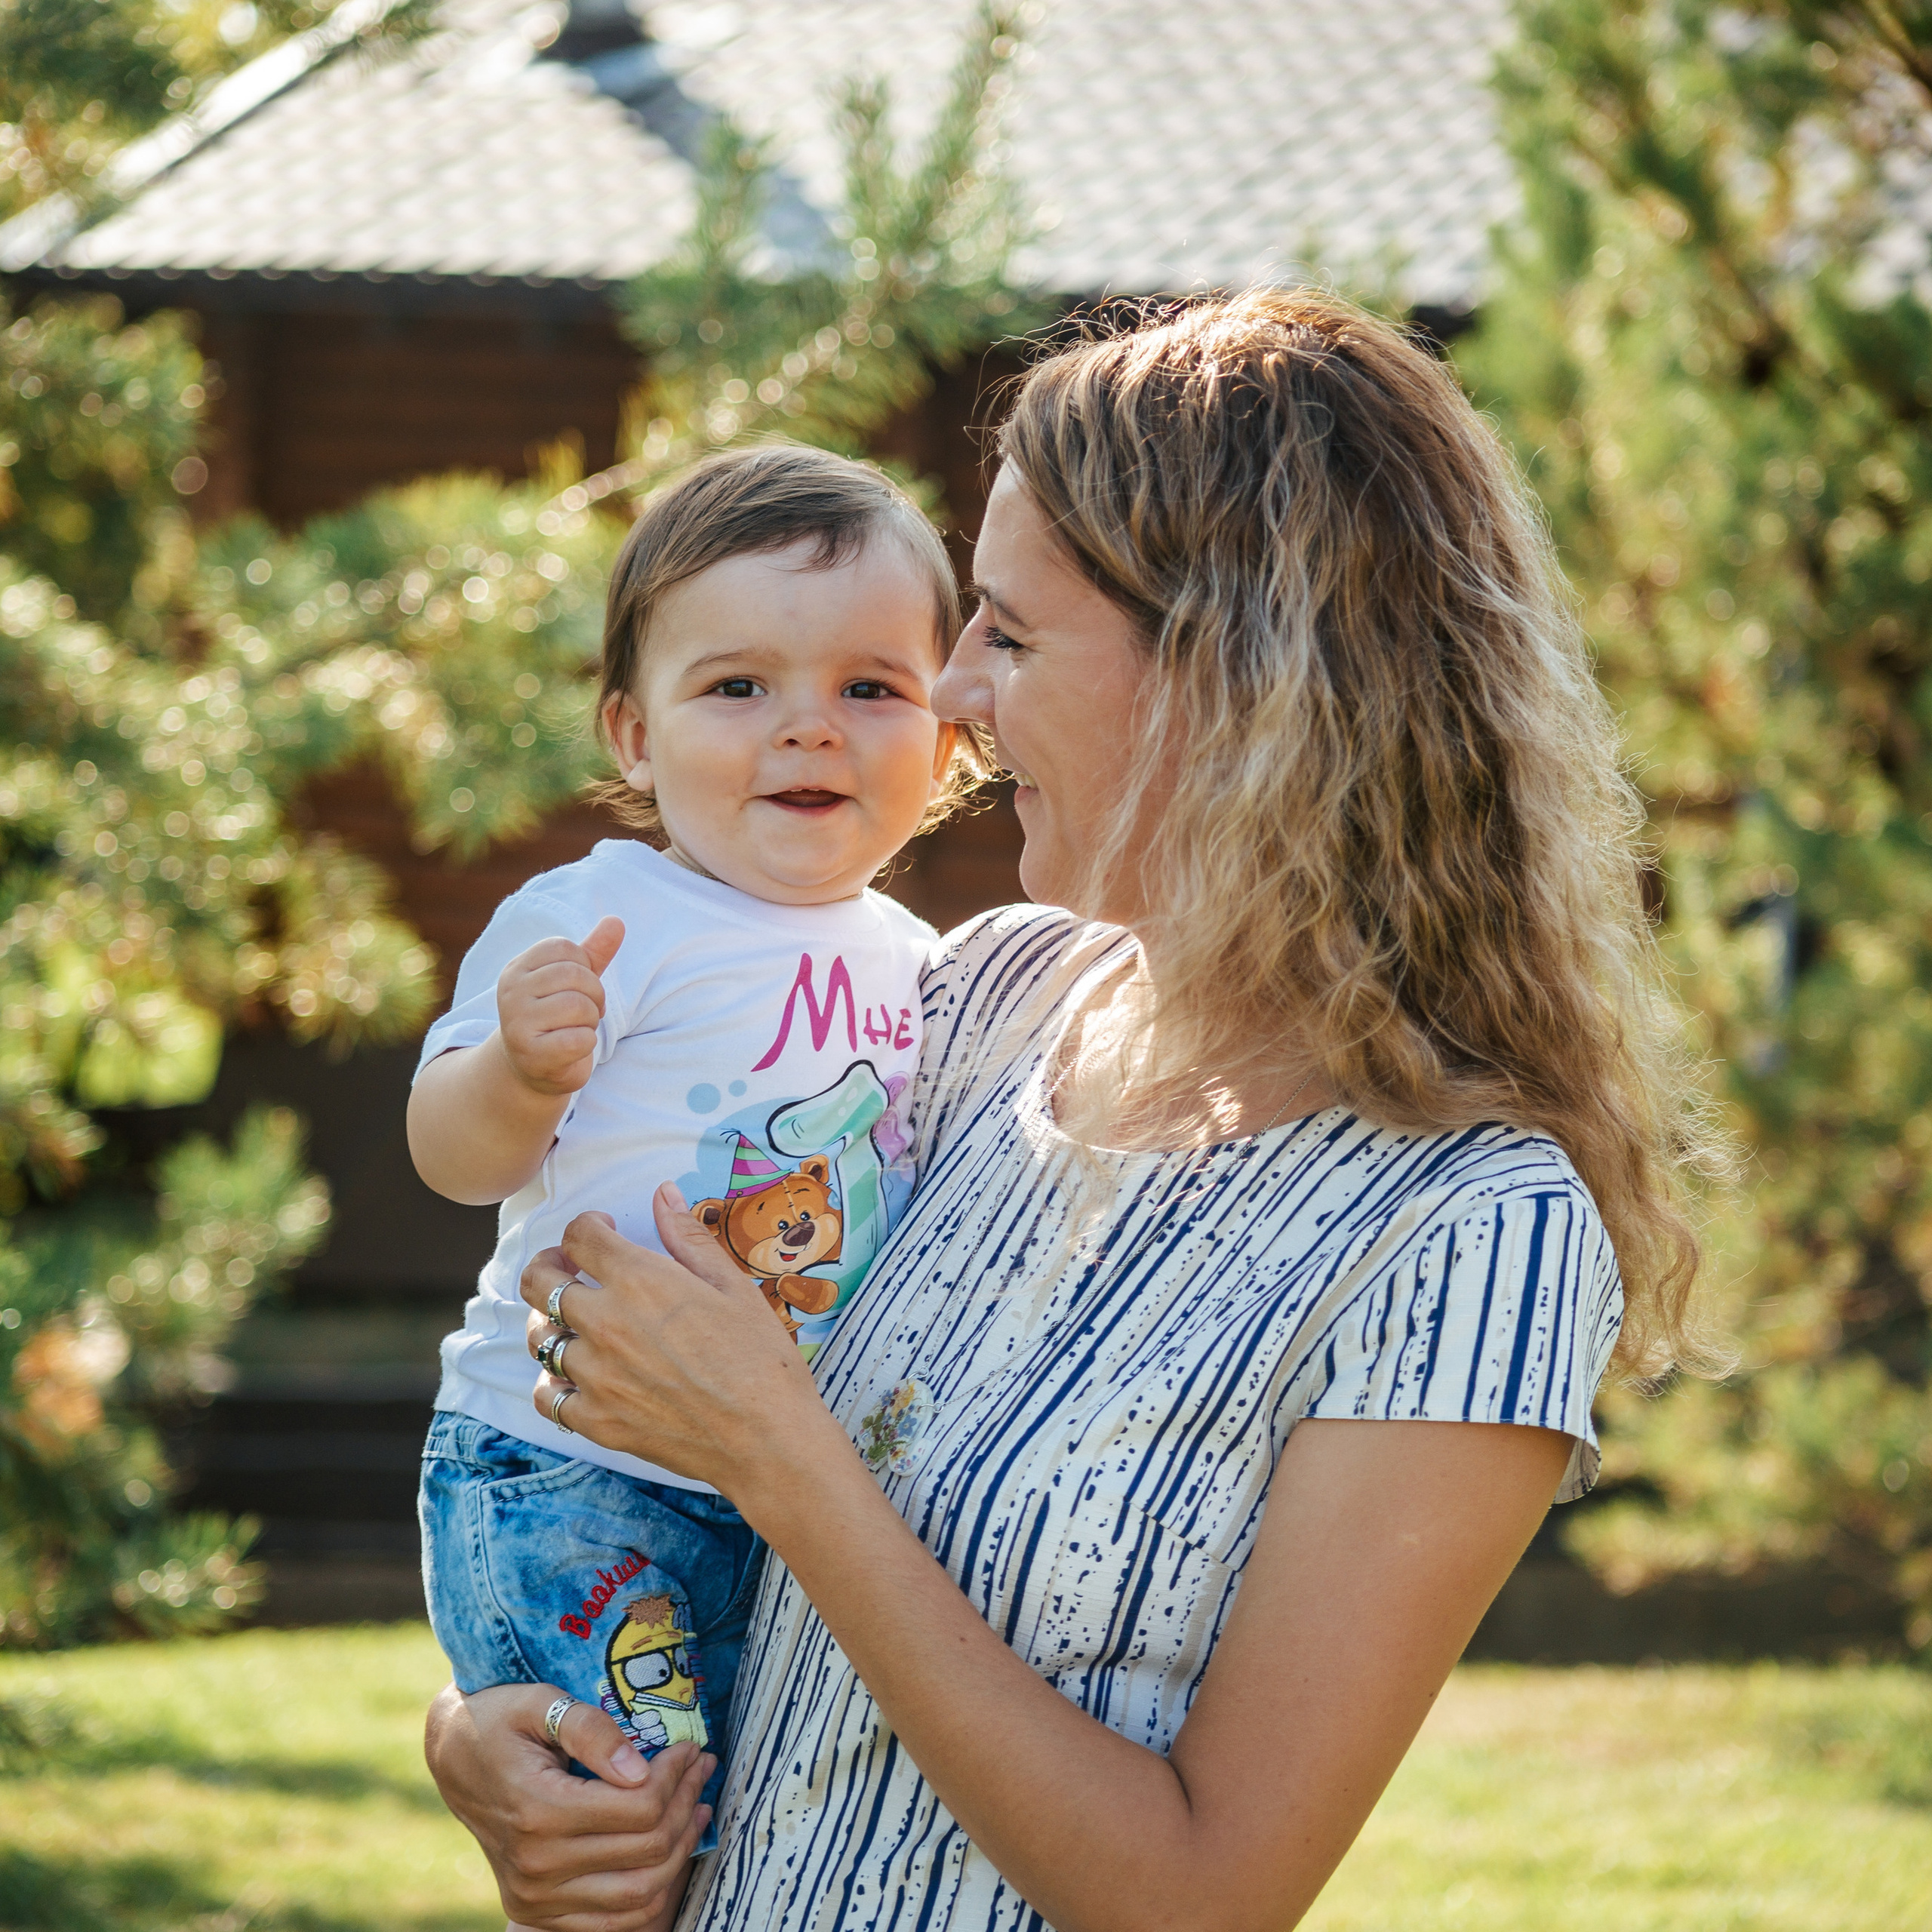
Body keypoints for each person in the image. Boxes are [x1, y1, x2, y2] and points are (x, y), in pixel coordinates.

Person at [423, 288, 1719, 1932]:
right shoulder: (973, 1004)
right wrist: (484, 1735)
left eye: (1013, 636)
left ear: (1238, 683)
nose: (951, 690)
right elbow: (604, 1465)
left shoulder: (1470, 1233)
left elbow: (1203, 1896)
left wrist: (778, 1458)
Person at [405, 446, 983, 1885]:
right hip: (572, 1467)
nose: (809, 729)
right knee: (627, 1838)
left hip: (781, 1489)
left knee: (745, 1843)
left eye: (871, 688)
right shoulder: (605, 916)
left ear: (947, 742)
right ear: (634, 736)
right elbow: (451, 1160)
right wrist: (517, 1074)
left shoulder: (926, 966)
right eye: (738, 687)